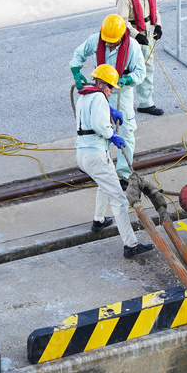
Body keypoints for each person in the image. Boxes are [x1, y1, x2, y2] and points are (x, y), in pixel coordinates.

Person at [74, 64, 154, 258]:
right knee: (118, 199)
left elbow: (92, 110)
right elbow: (99, 125)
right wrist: (113, 136)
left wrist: (109, 109)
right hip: (96, 156)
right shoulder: (99, 97)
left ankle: (99, 220)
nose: (111, 91)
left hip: (83, 156)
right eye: (110, 87)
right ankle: (131, 245)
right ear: (100, 84)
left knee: (103, 185)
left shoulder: (84, 95)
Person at [70, 14, 146, 183]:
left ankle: (123, 174)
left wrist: (126, 79)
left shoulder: (132, 47)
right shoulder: (96, 40)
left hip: (121, 92)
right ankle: (96, 166)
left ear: (121, 36)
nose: (110, 44)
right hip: (99, 91)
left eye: (113, 41)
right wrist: (76, 72)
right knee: (94, 128)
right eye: (107, 41)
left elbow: (140, 73)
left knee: (125, 132)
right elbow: (78, 54)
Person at [115, 0, 164, 116]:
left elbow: (154, 10)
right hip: (132, 37)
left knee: (147, 67)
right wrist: (136, 35)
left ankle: (146, 103)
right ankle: (119, 104)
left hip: (147, 34)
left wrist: (158, 26)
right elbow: (121, 21)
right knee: (128, 69)